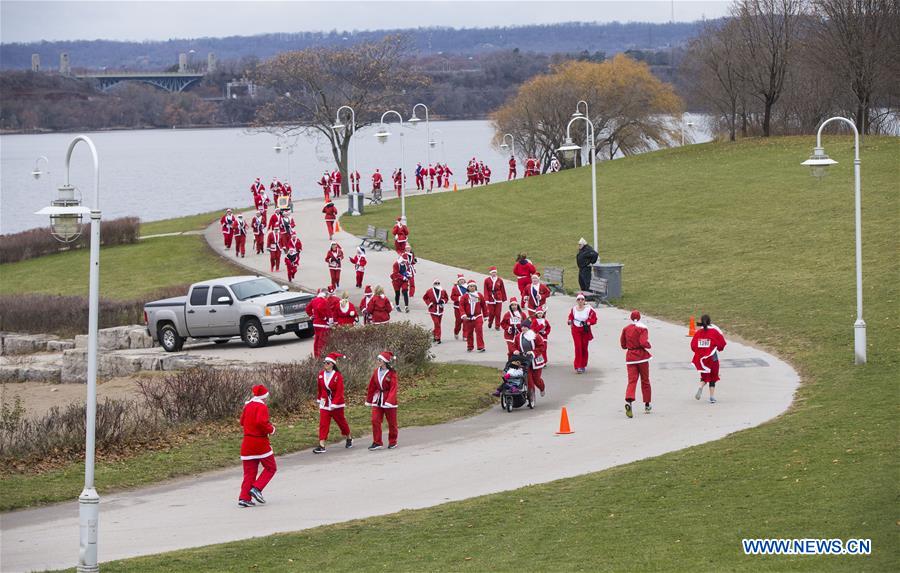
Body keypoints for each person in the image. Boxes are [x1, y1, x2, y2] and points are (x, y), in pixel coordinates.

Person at [238, 384, 277, 507]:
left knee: (249, 472)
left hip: (247, 443)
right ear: (264, 397)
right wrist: (271, 429)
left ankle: (244, 498)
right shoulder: (261, 407)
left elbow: (242, 422)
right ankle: (257, 488)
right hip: (260, 443)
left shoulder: (248, 405)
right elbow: (261, 422)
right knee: (271, 467)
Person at [313, 353, 353, 454]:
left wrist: (334, 404)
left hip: (337, 404)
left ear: (332, 364)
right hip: (325, 403)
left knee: (341, 422)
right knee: (323, 423)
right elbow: (320, 388)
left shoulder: (337, 376)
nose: (325, 364)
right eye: (324, 362)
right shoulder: (321, 374)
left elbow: (340, 391)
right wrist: (319, 399)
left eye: (327, 363)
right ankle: (321, 445)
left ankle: (349, 437)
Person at [620, 309, 652, 418]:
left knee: (632, 381)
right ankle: (647, 404)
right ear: (639, 317)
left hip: (630, 357)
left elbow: (623, 344)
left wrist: (629, 346)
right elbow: (643, 342)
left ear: (630, 317)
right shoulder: (643, 328)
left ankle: (629, 401)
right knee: (645, 380)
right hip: (642, 357)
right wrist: (648, 345)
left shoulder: (626, 329)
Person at [365, 351, 399, 450]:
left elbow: (394, 387)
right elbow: (372, 386)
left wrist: (390, 401)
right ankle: (377, 442)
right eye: (378, 360)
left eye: (380, 360)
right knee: (375, 420)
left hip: (389, 400)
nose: (378, 361)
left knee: (392, 422)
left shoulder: (392, 373)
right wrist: (369, 399)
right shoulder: (376, 371)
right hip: (378, 399)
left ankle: (393, 441)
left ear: (385, 361)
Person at [691, 314, 728, 403]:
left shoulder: (698, 333)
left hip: (702, 359)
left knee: (704, 376)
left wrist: (699, 352)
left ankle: (700, 387)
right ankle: (712, 397)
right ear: (709, 321)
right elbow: (722, 343)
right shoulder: (714, 331)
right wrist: (719, 348)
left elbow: (693, 346)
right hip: (713, 358)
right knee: (713, 377)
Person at [512, 319, 547, 397]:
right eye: (522, 327)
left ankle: (542, 388)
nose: (523, 328)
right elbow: (513, 346)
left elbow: (541, 347)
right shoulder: (518, 336)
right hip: (525, 361)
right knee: (529, 381)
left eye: (525, 327)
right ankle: (531, 397)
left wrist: (532, 352)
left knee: (536, 380)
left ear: (529, 327)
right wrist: (515, 351)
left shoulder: (536, 336)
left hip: (535, 361)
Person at [567, 293, 598, 373]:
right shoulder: (573, 309)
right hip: (575, 330)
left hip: (585, 330)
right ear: (576, 301)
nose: (580, 301)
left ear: (584, 301)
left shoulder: (588, 309)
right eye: (578, 299)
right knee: (578, 347)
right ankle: (578, 366)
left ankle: (583, 364)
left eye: (582, 299)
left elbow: (594, 319)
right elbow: (571, 316)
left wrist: (588, 322)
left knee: (584, 347)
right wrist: (570, 321)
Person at [459, 280, 486, 352]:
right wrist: (463, 315)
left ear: (476, 287)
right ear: (468, 287)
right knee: (469, 332)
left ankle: (481, 346)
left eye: (474, 286)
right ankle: (470, 346)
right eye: (471, 286)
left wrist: (486, 315)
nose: (472, 287)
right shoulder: (464, 297)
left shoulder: (479, 295)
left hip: (478, 316)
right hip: (468, 317)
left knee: (479, 330)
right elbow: (461, 306)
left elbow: (483, 305)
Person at [307, 289, 333, 358]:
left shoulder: (314, 300)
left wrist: (311, 316)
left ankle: (316, 355)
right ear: (325, 294)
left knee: (317, 340)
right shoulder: (324, 301)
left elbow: (307, 308)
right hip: (322, 324)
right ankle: (321, 356)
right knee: (322, 342)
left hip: (316, 323)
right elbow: (319, 308)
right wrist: (324, 317)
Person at [423, 278, 448, 343]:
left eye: (438, 283)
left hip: (440, 309)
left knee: (438, 324)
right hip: (433, 309)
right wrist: (429, 303)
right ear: (433, 284)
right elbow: (425, 298)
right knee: (437, 323)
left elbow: (446, 298)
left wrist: (443, 301)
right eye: (435, 283)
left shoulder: (443, 291)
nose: (437, 284)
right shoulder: (429, 291)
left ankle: (434, 334)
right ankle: (438, 338)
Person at [483, 266, 507, 330]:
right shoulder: (487, 280)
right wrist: (486, 299)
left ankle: (497, 325)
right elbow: (485, 290)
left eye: (495, 272)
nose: (494, 274)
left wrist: (504, 298)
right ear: (490, 273)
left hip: (498, 298)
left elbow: (502, 289)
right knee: (491, 313)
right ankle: (490, 322)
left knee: (498, 313)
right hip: (490, 298)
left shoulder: (500, 280)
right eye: (492, 272)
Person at [449, 274, 468, 340]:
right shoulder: (455, 288)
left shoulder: (468, 287)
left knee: (465, 321)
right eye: (460, 280)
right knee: (458, 321)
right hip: (457, 307)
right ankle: (456, 332)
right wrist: (459, 298)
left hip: (466, 307)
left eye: (463, 280)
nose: (462, 281)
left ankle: (465, 335)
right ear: (458, 281)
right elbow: (452, 297)